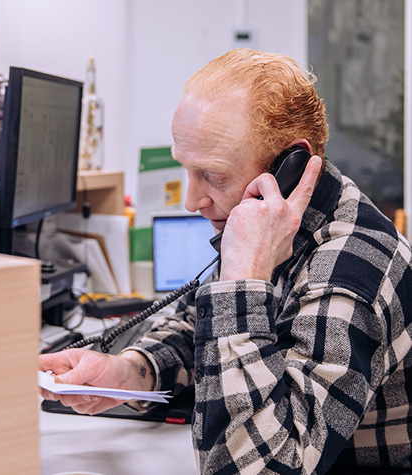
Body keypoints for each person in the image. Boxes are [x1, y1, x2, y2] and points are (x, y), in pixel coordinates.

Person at [40, 49, 412, 474]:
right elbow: (196, 327)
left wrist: (243, 279)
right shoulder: (269, 220)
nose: (190, 201)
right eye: (188, 170)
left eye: (212, 176)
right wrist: (129, 371)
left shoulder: (351, 273)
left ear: (288, 167)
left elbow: (257, 467)